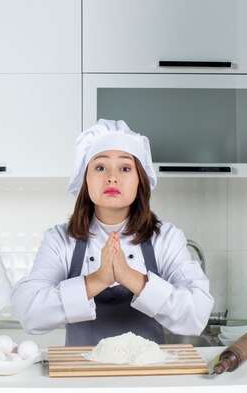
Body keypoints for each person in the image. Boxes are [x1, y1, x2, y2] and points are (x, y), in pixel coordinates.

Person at [11, 119, 213, 346]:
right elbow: (29, 312)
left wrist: (131, 278)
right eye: (100, 167)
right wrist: (97, 280)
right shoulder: (59, 240)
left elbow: (197, 313)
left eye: (125, 168)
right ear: (85, 179)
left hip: (149, 375)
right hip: (81, 375)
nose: (112, 177)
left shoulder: (165, 238)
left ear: (140, 181)